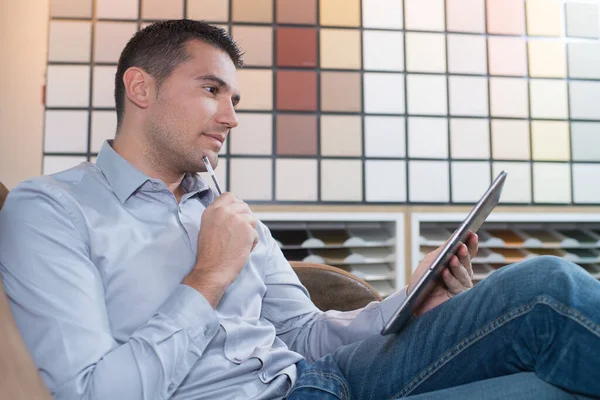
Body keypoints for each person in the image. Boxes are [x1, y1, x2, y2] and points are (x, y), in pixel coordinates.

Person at [0, 19, 598, 400]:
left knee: (543, 289)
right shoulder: (51, 209)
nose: (231, 117)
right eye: (212, 90)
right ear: (141, 89)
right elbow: (93, 393)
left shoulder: (232, 213)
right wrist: (207, 278)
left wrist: (411, 302)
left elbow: (307, 334)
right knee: (548, 387)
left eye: (234, 98)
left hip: (330, 378)